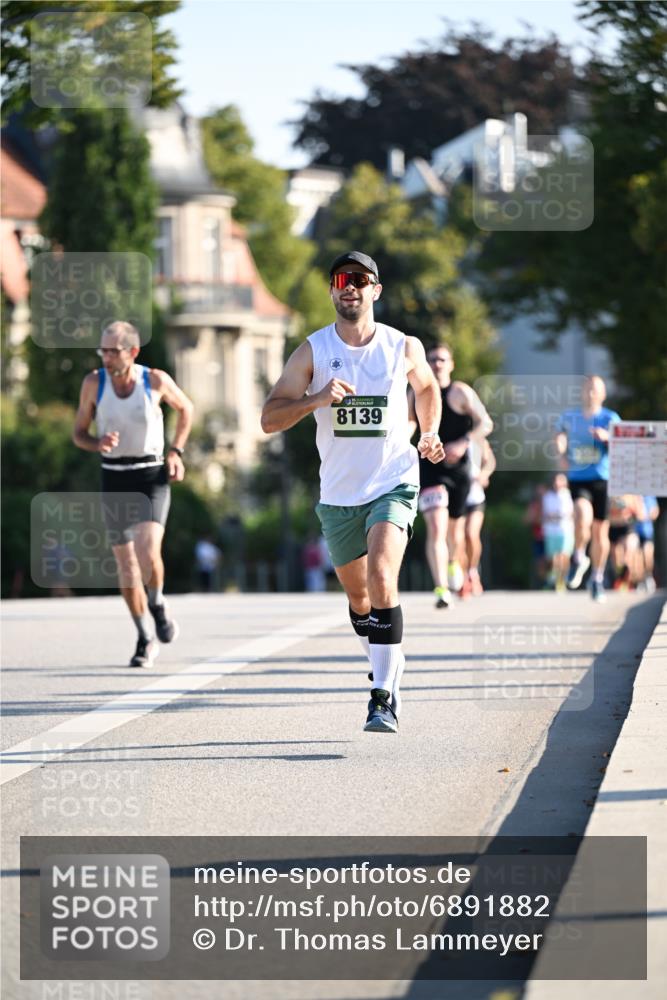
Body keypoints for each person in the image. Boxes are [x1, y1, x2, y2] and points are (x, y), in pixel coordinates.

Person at [261, 250, 444, 734]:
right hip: (339, 494)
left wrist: (428, 431)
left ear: (375, 291)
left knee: (384, 576)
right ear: (331, 289)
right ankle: (387, 659)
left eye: (361, 280)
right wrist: (317, 398)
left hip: (393, 480)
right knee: (360, 600)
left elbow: (426, 388)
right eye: (343, 279)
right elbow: (268, 419)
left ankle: (382, 696)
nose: (351, 287)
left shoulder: (402, 346)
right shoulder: (313, 352)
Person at [73, 321, 194, 667]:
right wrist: (97, 443)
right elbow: (79, 433)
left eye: (113, 351)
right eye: (103, 350)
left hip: (151, 475)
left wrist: (176, 451)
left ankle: (156, 601)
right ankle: (144, 637)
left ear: (132, 352)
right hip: (114, 478)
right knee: (126, 567)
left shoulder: (153, 380)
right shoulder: (93, 383)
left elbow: (186, 409)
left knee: (146, 550)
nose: (106, 357)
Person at [407, 343, 493, 608]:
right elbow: (409, 424)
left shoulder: (460, 392)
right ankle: (441, 588)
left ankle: (456, 562)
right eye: (432, 359)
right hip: (431, 468)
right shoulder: (416, 392)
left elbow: (486, 423)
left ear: (451, 364)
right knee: (436, 528)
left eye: (442, 359)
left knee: (455, 534)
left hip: (460, 471)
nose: (437, 364)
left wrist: (465, 442)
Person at [555, 375, 620, 602]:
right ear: (582, 392)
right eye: (588, 388)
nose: (591, 393)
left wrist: (607, 438)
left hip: (602, 478)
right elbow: (560, 435)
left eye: (596, 389)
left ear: (602, 393)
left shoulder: (610, 418)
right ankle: (580, 556)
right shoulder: (570, 416)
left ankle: (597, 577)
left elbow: (623, 446)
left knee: (600, 531)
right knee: (582, 514)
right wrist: (561, 451)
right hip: (578, 477)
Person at [463, 438, 496, 595]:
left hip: (475, 496)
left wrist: (484, 474)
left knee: (471, 534)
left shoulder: (477, 439)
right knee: (458, 539)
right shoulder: (450, 434)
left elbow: (490, 461)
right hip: (456, 496)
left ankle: (472, 571)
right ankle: (462, 577)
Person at [541, 473, 575, 592]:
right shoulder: (548, 496)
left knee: (564, 556)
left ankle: (563, 578)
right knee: (554, 557)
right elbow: (546, 514)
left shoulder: (569, 495)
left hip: (565, 530)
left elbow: (571, 513)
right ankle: (556, 579)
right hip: (551, 530)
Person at [636, 496, 659, 592]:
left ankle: (649, 576)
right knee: (638, 558)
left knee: (648, 555)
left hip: (647, 532)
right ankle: (640, 580)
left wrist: (645, 516)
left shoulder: (650, 497)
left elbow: (655, 512)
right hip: (635, 532)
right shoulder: (634, 496)